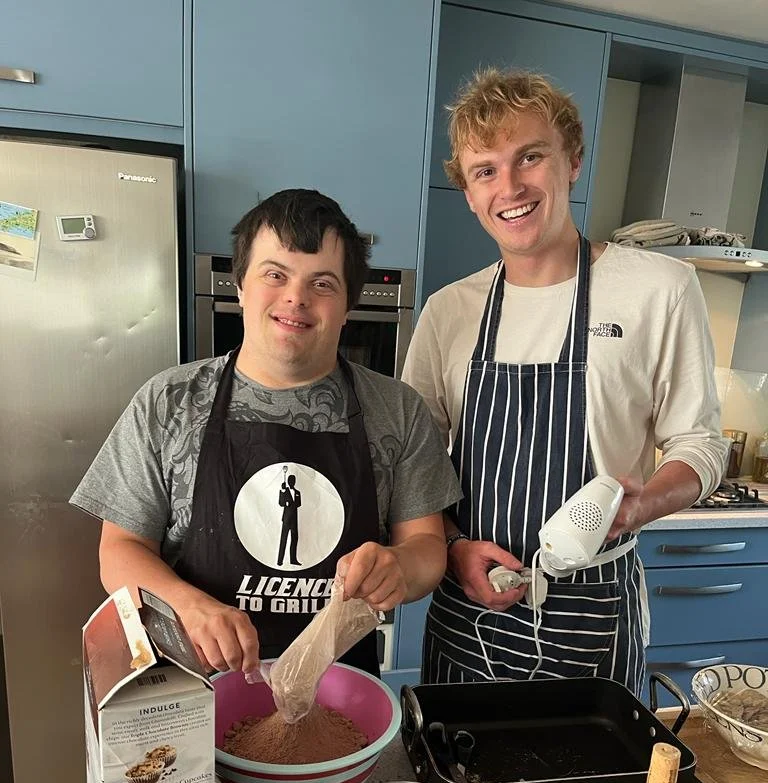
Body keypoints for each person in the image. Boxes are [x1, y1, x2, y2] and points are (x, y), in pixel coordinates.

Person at [402, 68, 727, 694]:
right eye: (485, 170)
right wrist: (450, 544)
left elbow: (701, 443)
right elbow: (409, 466)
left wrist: (643, 505)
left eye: (531, 157)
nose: (510, 186)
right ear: (468, 193)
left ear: (572, 160)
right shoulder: (449, 311)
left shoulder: (659, 289)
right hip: (472, 604)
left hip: (595, 610)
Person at [72, 188, 461, 679]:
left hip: (338, 690)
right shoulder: (168, 401)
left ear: (347, 305)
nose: (295, 298)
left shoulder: (397, 410)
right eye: (275, 275)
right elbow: (119, 551)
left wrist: (400, 568)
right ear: (240, 285)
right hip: (192, 688)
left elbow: (427, 546)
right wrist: (189, 606)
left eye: (322, 283)